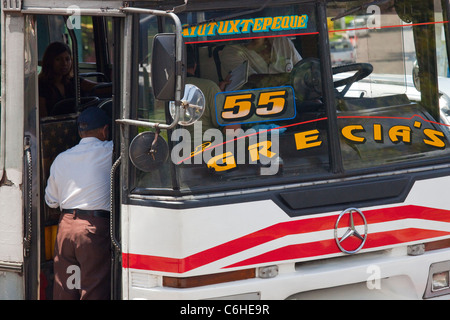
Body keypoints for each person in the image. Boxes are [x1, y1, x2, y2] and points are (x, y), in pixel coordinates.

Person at [45, 106, 113, 300]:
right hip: (92, 229)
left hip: (65, 228)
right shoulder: (109, 150)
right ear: (105, 130)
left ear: (80, 132)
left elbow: (51, 201)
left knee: (66, 287)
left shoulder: (61, 158)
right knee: (94, 288)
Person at [38, 42, 107, 117]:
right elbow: (43, 117)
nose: (64, 63)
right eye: (58, 59)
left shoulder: (73, 81)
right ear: (49, 61)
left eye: (67, 59)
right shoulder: (41, 85)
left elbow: (97, 88)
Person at [220, 37, 302, 89]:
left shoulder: (283, 42)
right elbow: (251, 81)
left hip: (292, 104)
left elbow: (303, 68)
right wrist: (292, 77)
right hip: (253, 107)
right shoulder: (231, 51)